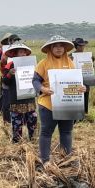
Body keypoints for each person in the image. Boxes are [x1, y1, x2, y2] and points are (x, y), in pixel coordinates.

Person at [32, 35, 87, 165]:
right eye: (55, 46)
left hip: (66, 103)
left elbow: (75, 82)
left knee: (66, 132)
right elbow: (35, 81)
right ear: (50, 48)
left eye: (61, 46)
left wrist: (81, 87)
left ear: (65, 48)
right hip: (47, 104)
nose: (58, 48)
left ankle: (67, 158)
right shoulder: (43, 64)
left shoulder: (70, 63)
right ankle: (45, 160)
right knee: (46, 132)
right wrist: (43, 89)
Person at [2, 43, 37, 143]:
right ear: (15, 54)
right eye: (21, 52)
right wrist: (9, 74)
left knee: (32, 120)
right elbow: (5, 81)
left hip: (29, 98)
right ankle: (17, 142)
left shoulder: (32, 64)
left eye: (24, 52)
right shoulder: (10, 65)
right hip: (16, 99)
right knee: (17, 122)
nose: (23, 54)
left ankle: (33, 141)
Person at [0, 33, 21, 127]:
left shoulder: (22, 51)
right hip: (7, 78)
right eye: (13, 40)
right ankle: (6, 122)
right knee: (5, 100)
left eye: (17, 40)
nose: (16, 42)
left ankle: (17, 121)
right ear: (9, 41)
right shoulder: (4, 53)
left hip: (19, 79)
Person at [69, 38, 94, 115]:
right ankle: (76, 116)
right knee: (76, 97)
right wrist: (70, 60)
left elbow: (92, 65)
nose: (82, 48)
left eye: (83, 46)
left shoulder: (88, 56)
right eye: (80, 46)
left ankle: (85, 114)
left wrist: (92, 61)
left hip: (85, 80)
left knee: (85, 96)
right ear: (76, 46)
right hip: (74, 80)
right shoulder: (70, 56)